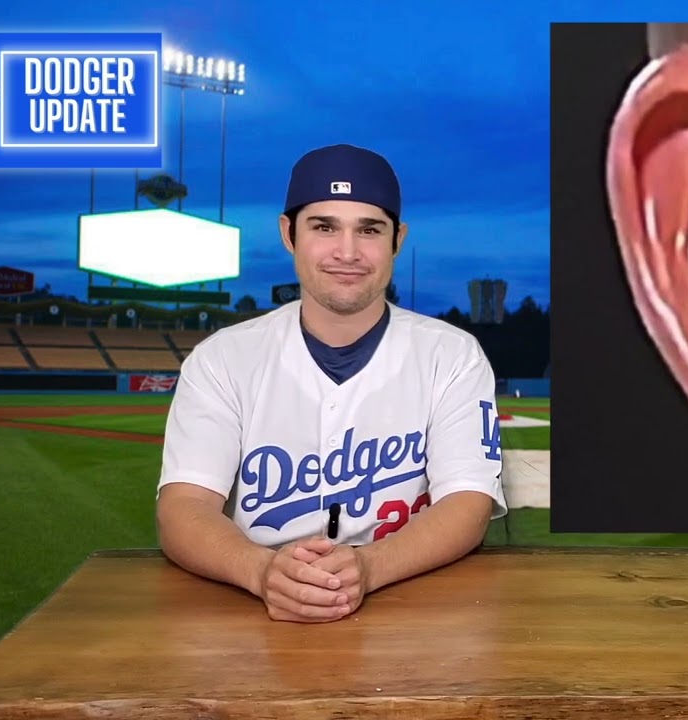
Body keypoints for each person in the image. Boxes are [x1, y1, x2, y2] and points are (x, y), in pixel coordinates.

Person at [156, 143, 508, 623]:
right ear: (288, 233)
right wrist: (260, 572)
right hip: (255, 610)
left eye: (369, 229)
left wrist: (369, 565)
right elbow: (184, 507)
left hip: (409, 605)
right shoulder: (222, 359)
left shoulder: (451, 355)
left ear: (397, 239)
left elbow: (467, 502)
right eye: (324, 227)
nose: (347, 252)